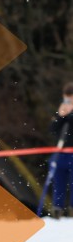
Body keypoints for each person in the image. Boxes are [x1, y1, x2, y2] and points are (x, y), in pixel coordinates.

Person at [48, 83, 73, 218]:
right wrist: (60, 116)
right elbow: (52, 130)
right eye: (65, 100)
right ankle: (57, 210)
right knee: (58, 183)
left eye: (70, 100)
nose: (67, 103)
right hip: (60, 154)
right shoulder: (62, 113)